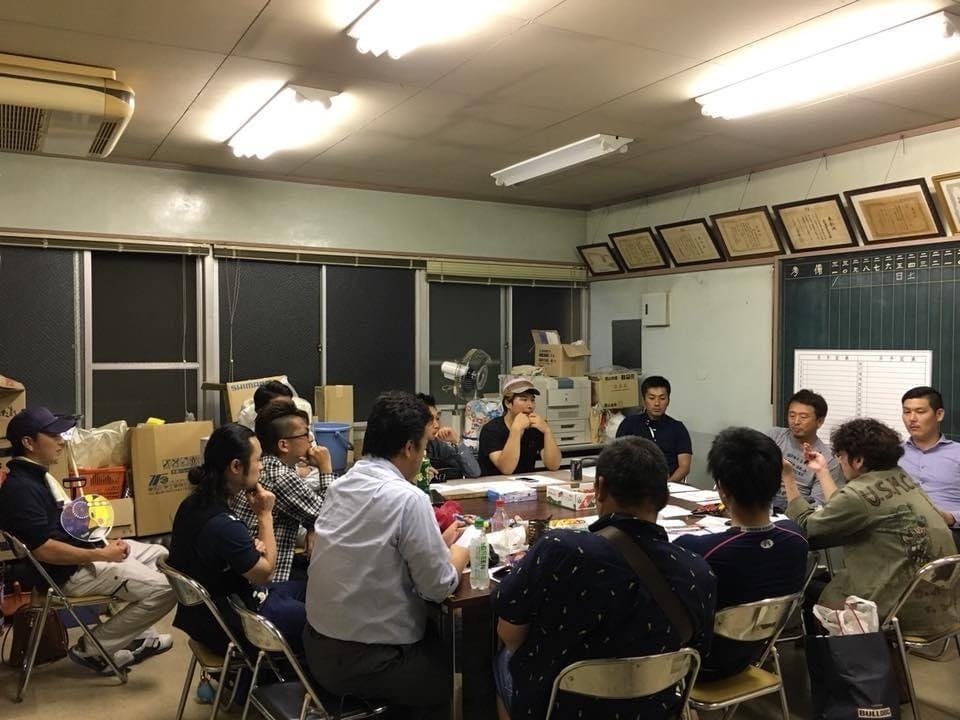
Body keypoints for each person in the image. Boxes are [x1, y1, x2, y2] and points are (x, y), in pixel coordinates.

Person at [491, 436, 716, 720]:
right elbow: (697, 651)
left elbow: (509, 634)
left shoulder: (560, 549)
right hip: (654, 709)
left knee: (502, 660)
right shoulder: (698, 572)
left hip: (562, 708)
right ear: (664, 496)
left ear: (599, 488)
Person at [302, 391, 469, 720]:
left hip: (317, 648)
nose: (423, 456)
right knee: (461, 660)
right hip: (367, 662)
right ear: (409, 447)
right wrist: (463, 548)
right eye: (423, 446)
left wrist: (437, 543)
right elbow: (437, 587)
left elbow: (374, 550)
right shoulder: (408, 498)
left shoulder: (340, 486)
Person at [0, 407, 175, 672]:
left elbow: (61, 529)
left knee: (160, 556)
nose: (61, 441)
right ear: (29, 443)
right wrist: (102, 554)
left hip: (79, 556)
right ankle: (93, 649)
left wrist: (101, 541)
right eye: (52, 435)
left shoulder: (36, 476)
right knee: (167, 589)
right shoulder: (21, 490)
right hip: (67, 573)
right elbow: (44, 550)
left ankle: (139, 635)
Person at [785, 418, 958, 635]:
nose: (839, 461)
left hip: (899, 611)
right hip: (943, 604)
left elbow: (807, 528)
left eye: (840, 456)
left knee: (808, 588)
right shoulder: (902, 476)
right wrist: (822, 471)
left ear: (857, 460)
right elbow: (848, 506)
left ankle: (837, 654)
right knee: (830, 581)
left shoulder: (857, 495)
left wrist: (788, 477)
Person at [674, 427, 808, 681]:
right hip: (758, 653)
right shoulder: (797, 537)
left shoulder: (696, 549)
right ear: (776, 483)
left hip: (696, 665)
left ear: (722, 490)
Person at [167, 423, 307, 656]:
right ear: (236, 466)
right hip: (235, 621)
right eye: (258, 460)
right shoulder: (224, 524)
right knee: (323, 620)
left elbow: (223, 551)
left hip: (207, 613)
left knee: (309, 589)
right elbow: (265, 573)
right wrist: (264, 515)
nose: (261, 466)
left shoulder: (193, 503)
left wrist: (247, 549)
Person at [230, 400, 333, 582]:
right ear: (284, 445)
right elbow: (331, 516)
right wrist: (325, 467)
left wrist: (312, 526)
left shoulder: (270, 464)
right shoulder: (280, 475)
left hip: (252, 569)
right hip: (266, 580)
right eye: (305, 434)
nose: (310, 439)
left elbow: (314, 512)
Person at [899, 386, 960, 548]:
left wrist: (951, 517)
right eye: (906, 412)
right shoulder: (893, 454)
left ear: (939, 415)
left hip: (949, 531)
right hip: (901, 531)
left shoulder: (957, 453)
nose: (912, 418)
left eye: (920, 412)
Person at [766, 388, 843, 511]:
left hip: (794, 513)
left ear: (820, 421)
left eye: (803, 417)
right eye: (792, 415)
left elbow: (817, 506)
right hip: (761, 504)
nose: (796, 421)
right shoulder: (773, 436)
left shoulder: (826, 460)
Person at [478, 377, 561, 476]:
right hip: (495, 482)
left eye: (532, 400)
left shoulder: (535, 428)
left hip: (527, 482)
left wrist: (547, 431)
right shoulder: (491, 430)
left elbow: (553, 465)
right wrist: (516, 429)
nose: (530, 405)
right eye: (524, 399)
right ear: (508, 403)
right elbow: (506, 469)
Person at [616, 375, 692, 483]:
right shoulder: (629, 424)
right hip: (635, 484)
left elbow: (684, 467)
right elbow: (617, 459)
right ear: (644, 400)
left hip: (669, 484)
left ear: (668, 400)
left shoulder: (678, 428)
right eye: (651, 398)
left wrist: (668, 484)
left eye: (662, 398)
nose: (657, 403)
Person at [415, 392, 480, 479]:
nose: (436, 425)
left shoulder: (436, 445)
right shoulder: (404, 446)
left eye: (437, 419)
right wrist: (416, 475)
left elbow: (474, 472)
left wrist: (457, 442)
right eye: (430, 420)